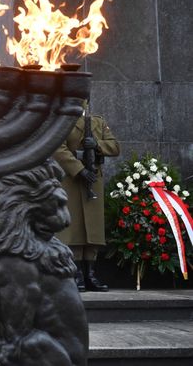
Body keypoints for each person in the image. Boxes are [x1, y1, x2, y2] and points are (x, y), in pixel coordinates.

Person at [53, 102, 120, 292]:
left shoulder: (98, 121)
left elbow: (115, 146)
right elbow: (59, 149)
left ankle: (90, 274)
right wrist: (79, 170)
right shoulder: (64, 121)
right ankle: (76, 274)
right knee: (74, 228)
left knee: (93, 228)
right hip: (74, 180)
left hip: (94, 179)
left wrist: (97, 145)